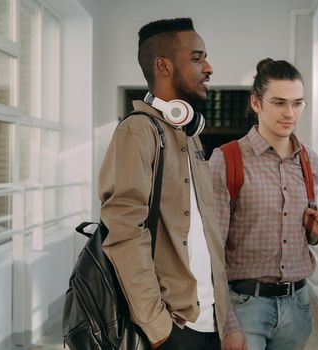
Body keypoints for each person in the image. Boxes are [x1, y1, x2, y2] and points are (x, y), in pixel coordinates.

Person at [99, 18, 230, 350]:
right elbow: (125, 231)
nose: (209, 67)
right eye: (197, 57)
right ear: (164, 65)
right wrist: (158, 327)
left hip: (210, 322)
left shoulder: (189, 135)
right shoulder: (138, 131)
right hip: (173, 328)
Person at [209, 58, 318, 350]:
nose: (289, 113)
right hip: (245, 307)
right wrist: (227, 323)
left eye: (297, 103)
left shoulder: (309, 160)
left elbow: (303, 238)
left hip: (298, 306)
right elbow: (212, 248)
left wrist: (314, 230)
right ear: (256, 103)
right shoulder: (226, 159)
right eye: (279, 102)